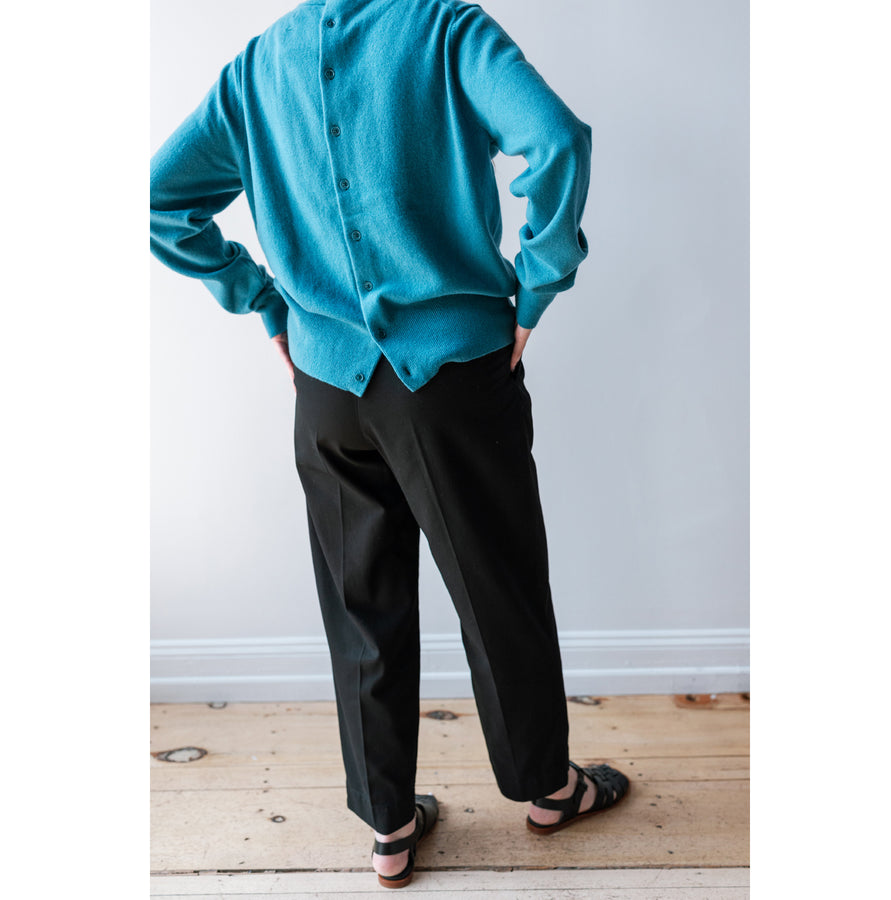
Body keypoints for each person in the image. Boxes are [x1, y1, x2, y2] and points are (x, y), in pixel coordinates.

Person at [151, 0, 629, 888]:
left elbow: (158, 199)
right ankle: (547, 789)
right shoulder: (445, 29)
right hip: (453, 377)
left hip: (328, 387)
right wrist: (538, 284)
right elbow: (557, 138)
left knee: (359, 603)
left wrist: (266, 303)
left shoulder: (257, 68)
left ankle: (389, 826)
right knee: (497, 587)